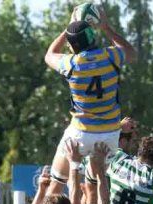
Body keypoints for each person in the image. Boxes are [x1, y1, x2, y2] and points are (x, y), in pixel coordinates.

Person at [43, 4, 137, 193]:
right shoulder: (111, 56)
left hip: (80, 133)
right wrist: (106, 27)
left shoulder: (71, 64)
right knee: (93, 187)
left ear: (73, 46)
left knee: (56, 185)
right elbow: (131, 53)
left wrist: (68, 28)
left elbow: (49, 55)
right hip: (110, 134)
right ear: (93, 37)